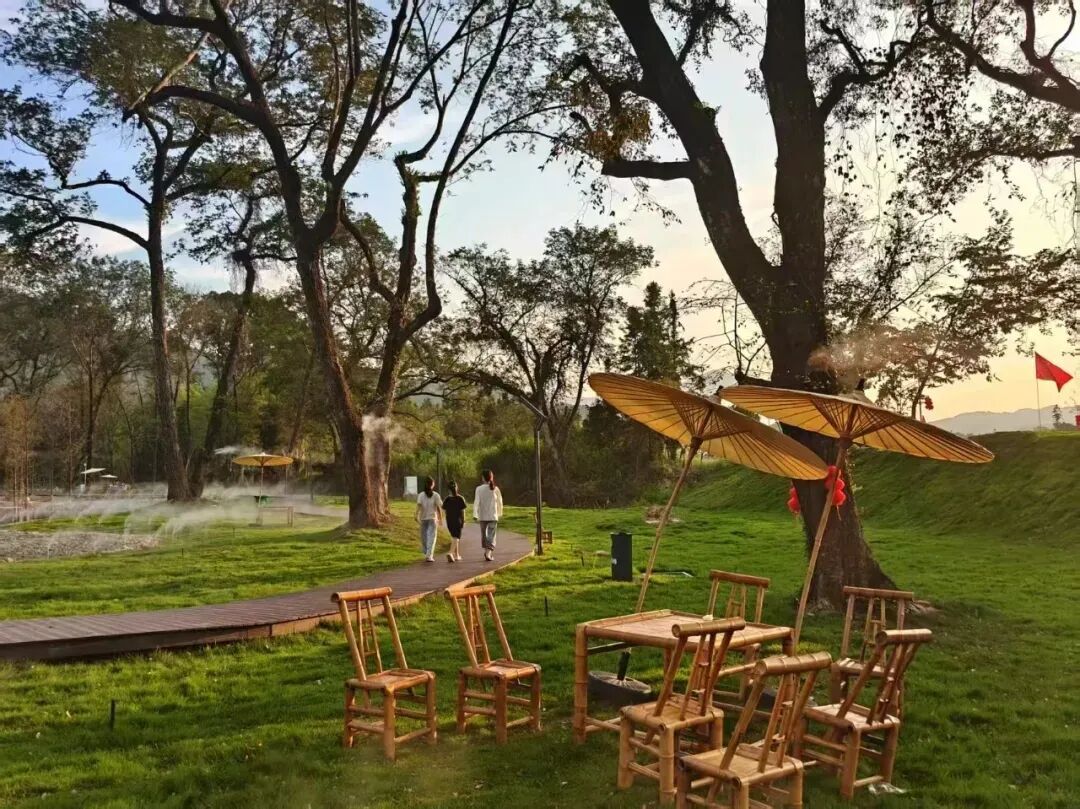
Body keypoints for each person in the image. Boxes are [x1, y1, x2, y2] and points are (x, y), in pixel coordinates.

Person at [473, 469, 503, 562]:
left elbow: (476, 502)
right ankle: (488, 552)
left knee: (485, 536)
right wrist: (499, 513)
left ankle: (487, 553)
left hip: (483, 516)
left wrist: (475, 514)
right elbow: (500, 502)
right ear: (491, 477)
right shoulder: (495, 489)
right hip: (493, 516)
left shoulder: (479, 489)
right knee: (491, 536)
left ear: (483, 478)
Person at [414, 477, 443, 563]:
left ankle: (428, 555)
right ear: (432, 484)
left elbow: (419, 506)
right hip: (431, 519)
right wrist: (440, 518)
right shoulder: (435, 495)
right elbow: (440, 506)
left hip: (426, 519)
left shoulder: (422, 495)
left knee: (425, 538)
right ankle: (428, 554)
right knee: (430, 538)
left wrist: (416, 515)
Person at [442, 482, 467, 563]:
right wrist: (463, 520)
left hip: (449, 520)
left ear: (448, 490)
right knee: (456, 537)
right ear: (456, 488)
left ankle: (457, 555)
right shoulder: (460, 498)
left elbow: (444, 510)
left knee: (454, 537)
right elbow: (463, 511)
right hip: (458, 520)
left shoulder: (447, 499)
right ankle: (450, 552)